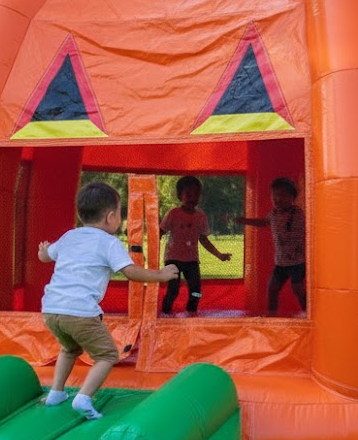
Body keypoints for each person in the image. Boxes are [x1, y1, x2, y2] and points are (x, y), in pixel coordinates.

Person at [39, 181, 178, 419]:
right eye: (120, 214)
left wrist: (43, 251)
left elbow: (46, 256)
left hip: (51, 310)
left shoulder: (69, 236)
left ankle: (56, 392)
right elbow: (130, 272)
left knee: (70, 348)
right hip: (79, 312)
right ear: (111, 217)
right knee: (107, 355)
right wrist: (160, 275)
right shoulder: (109, 243)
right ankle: (83, 397)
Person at [159, 175, 230, 315]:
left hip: (191, 261)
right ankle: (165, 313)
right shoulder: (173, 213)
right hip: (173, 259)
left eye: (196, 194)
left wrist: (219, 255)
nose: (193, 198)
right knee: (173, 290)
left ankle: (191, 313)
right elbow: (160, 232)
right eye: (188, 194)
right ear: (180, 196)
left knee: (196, 291)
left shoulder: (200, 216)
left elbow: (204, 240)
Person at [235, 176, 306, 315]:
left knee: (297, 287)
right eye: (274, 195)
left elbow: (307, 226)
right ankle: (271, 315)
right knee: (272, 288)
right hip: (281, 263)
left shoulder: (298, 213)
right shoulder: (273, 214)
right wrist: (245, 221)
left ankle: (307, 311)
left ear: (292, 197)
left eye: (282, 195)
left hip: (297, 262)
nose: (277, 199)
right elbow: (263, 222)